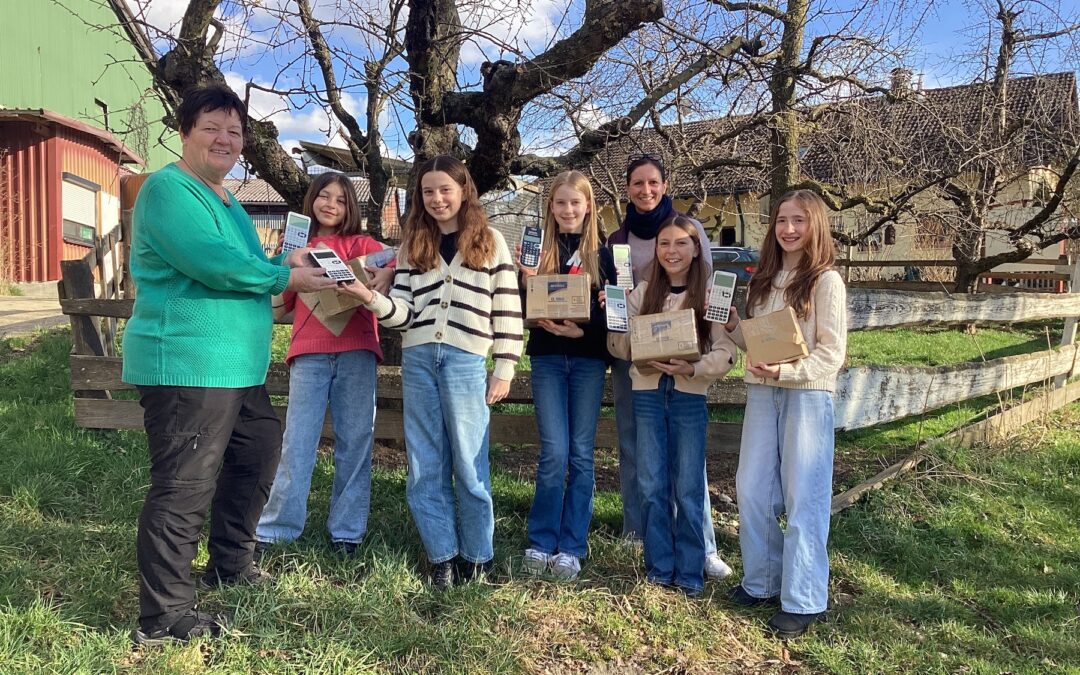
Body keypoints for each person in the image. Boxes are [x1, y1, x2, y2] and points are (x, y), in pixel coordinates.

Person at [123, 84, 337, 646]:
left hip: (236, 369)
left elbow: (246, 263)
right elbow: (215, 265)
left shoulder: (226, 200)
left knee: (257, 453)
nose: (225, 139)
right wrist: (285, 276)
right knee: (184, 484)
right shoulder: (169, 191)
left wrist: (281, 261)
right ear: (185, 133)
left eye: (235, 132)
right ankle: (165, 617)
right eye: (212, 127)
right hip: (188, 364)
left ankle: (230, 563)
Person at [337, 155, 523, 590]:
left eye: (445, 190)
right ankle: (442, 556)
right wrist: (369, 297)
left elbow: (507, 308)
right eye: (428, 191)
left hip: (465, 362)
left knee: (470, 462)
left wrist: (506, 366)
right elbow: (402, 315)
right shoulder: (412, 247)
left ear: (463, 191)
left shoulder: (490, 241)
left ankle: (478, 557)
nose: (437, 199)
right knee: (425, 463)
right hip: (419, 360)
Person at [724, 189, 847, 639]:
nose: (789, 229)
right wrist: (734, 329)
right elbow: (757, 345)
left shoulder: (825, 281)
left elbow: (831, 354)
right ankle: (762, 581)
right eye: (781, 221)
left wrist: (788, 370)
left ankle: (804, 598)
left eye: (798, 220)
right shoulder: (763, 280)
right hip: (762, 394)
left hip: (807, 397)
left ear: (815, 226)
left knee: (804, 498)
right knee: (752, 489)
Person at [254, 172, 395, 557]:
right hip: (309, 354)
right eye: (324, 196)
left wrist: (388, 269)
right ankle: (276, 529)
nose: (331, 204)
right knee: (297, 441)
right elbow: (277, 292)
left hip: (357, 351)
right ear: (312, 200)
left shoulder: (362, 244)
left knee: (355, 441)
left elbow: (401, 255)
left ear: (351, 207)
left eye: (341, 199)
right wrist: (287, 262)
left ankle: (347, 533)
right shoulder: (297, 246)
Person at [607, 154, 731, 579]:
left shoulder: (702, 280)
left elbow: (722, 346)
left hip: (688, 388)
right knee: (647, 472)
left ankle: (698, 558)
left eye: (653, 182)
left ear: (695, 247)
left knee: (689, 478)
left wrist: (693, 367)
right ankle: (652, 553)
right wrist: (623, 325)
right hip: (643, 383)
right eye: (637, 183)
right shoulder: (624, 253)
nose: (672, 251)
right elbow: (620, 337)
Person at [516, 171, 616, 581]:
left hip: (589, 360)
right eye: (560, 203)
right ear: (550, 208)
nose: (568, 210)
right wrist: (525, 286)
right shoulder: (534, 251)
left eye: (575, 203)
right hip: (547, 359)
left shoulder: (607, 256)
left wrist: (585, 329)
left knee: (580, 453)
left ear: (588, 206)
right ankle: (541, 540)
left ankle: (572, 546)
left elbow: (616, 314)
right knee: (553, 452)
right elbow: (517, 308)